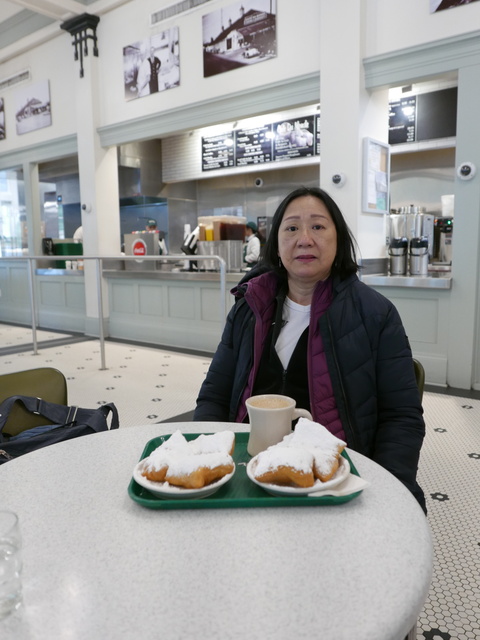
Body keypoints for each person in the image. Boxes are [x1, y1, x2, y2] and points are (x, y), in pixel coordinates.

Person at [194, 186, 426, 512]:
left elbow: (401, 418)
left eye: (318, 226)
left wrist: (384, 491)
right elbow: (214, 396)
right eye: (291, 228)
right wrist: (210, 466)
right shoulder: (249, 307)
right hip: (247, 473)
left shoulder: (376, 315)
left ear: (338, 240)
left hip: (333, 481)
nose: (304, 239)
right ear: (276, 245)